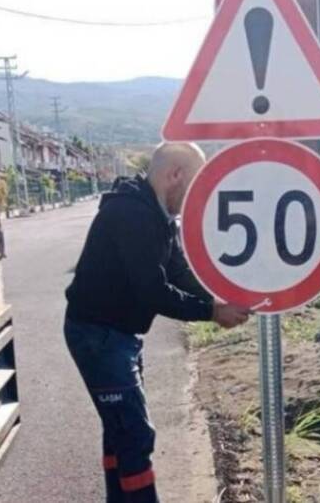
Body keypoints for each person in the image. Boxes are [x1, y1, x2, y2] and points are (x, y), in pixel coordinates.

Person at [64, 142, 253, 503]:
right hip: (99, 336)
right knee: (134, 434)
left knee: (120, 432)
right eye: (196, 184)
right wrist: (212, 313)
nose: (197, 197)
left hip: (116, 334)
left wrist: (219, 297)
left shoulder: (157, 214)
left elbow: (178, 269)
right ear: (175, 175)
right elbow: (153, 290)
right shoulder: (133, 215)